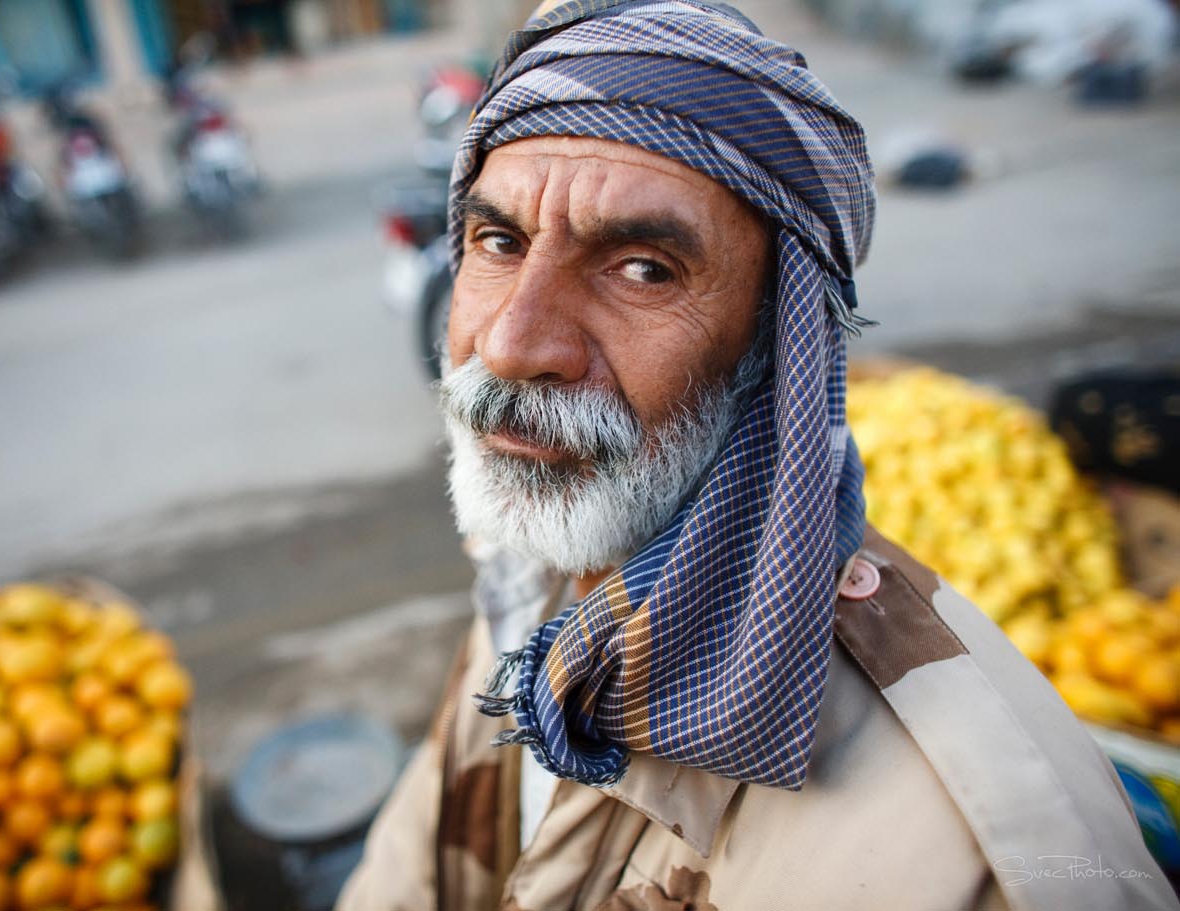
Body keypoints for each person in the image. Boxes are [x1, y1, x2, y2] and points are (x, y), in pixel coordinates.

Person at [338, 2, 1177, 908]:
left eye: (643, 268)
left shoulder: (977, 863)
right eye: (498, 242)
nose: (511, 343)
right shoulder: (533, 577)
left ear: (781, 347)